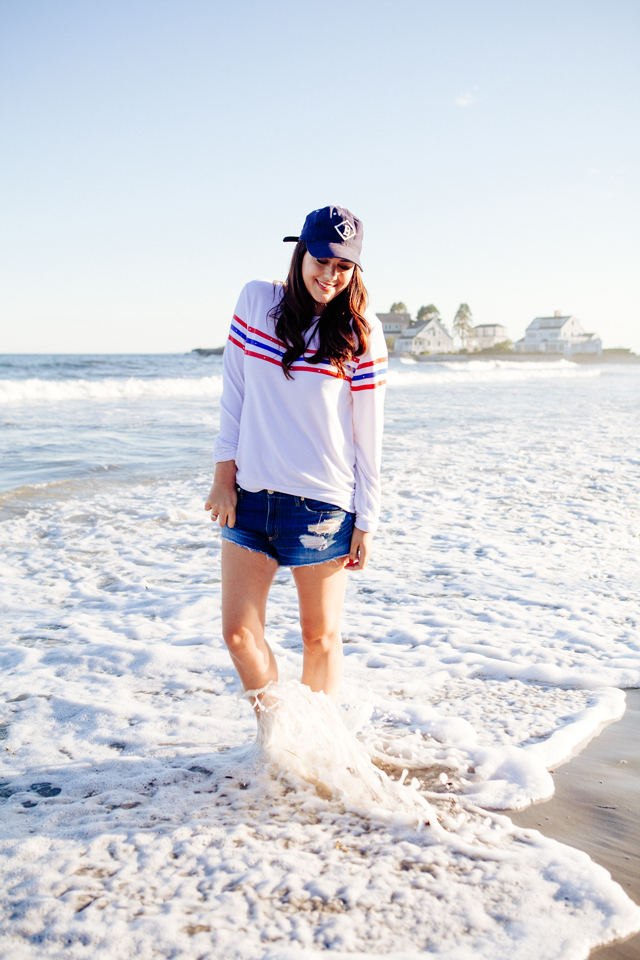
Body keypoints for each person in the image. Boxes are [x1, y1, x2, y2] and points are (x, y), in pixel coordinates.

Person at [205, 205, 387, 707]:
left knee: (319, 638)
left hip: (323, 507)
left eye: (344, 266)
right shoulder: (256, 301)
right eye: (322, 260)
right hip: (251, 500)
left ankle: (318, 750)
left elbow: (368, 436)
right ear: (300, 251)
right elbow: (234, 395)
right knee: (239, 636)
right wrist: (223, 477)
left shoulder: (361, 332)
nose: (330, 276)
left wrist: (367, 520)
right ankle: (278, 735)